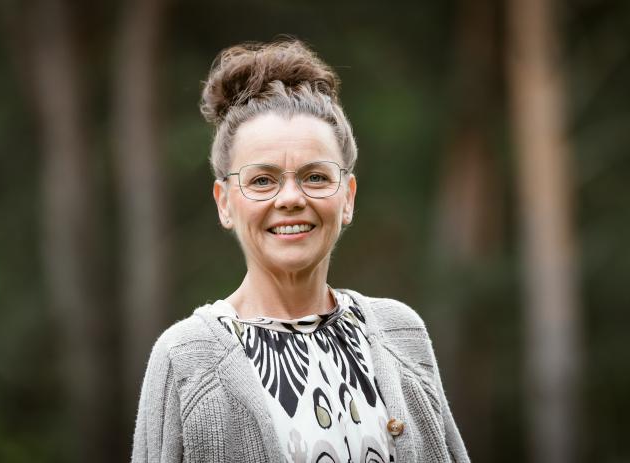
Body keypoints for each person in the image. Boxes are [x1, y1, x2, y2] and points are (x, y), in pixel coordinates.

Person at [131, 39, 469, 463]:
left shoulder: (403, 335)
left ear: (347, 197)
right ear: (225, 203)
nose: (291, 198)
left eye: (315, 177)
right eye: (262, 180)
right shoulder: (185, 361)